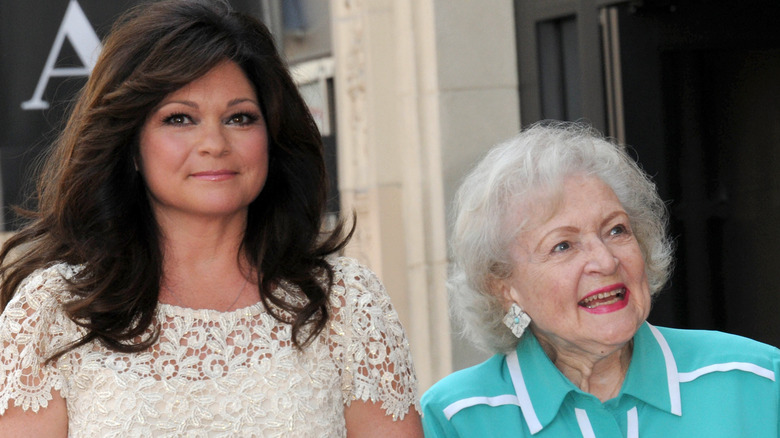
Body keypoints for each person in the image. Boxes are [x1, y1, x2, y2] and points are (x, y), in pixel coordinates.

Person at [0, 1, 422, 436]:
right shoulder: (54, 310)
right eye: (179, 118)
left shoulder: (347, 305)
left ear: (272, 138)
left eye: (240, 118)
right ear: (130, 145)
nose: (214, 143)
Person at [422, 122, 780, 437]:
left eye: (616, 230)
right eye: (563, 245)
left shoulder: (756, 380)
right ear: (505, 288)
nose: (606, 261)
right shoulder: (456, 420)